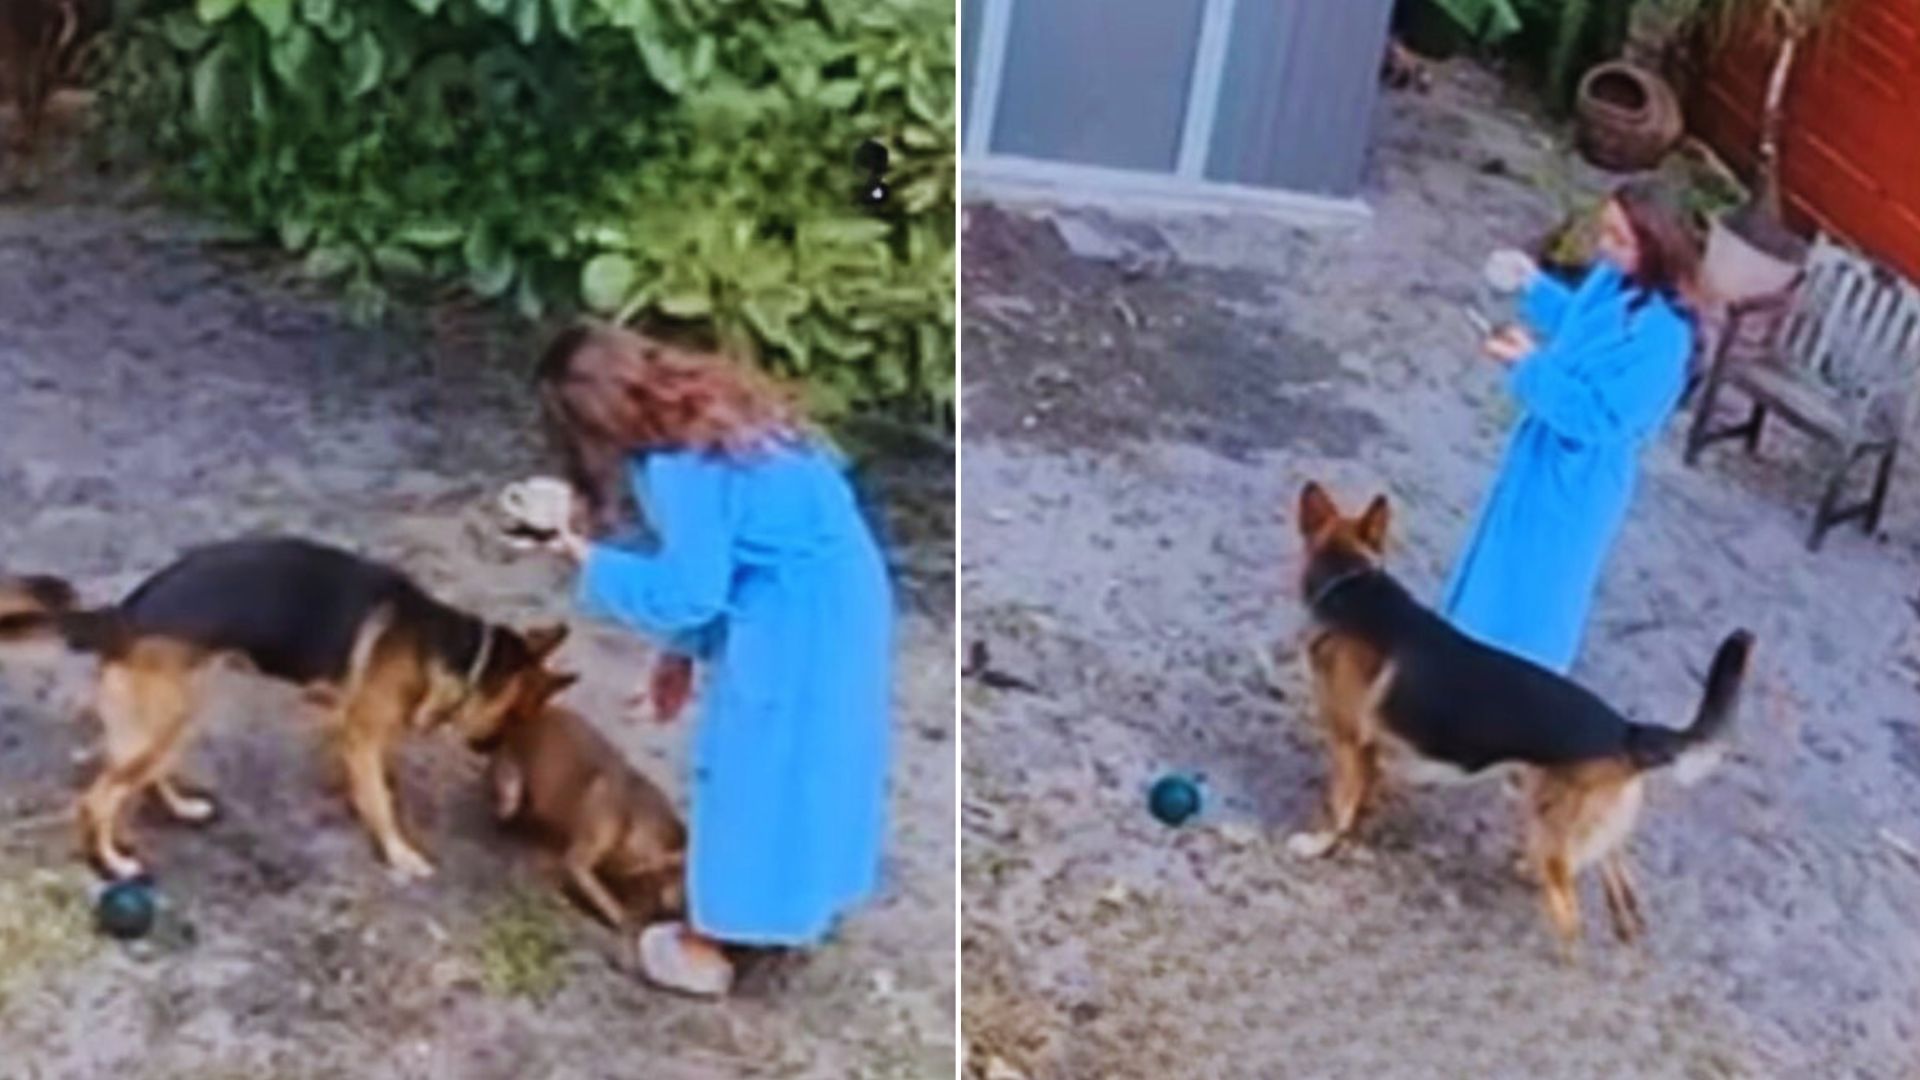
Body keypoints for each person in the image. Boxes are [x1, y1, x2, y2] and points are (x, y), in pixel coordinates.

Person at [536, 322, 892, 996]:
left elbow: (687, 593)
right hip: (845, 599)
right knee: (818, 758)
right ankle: (798, 902)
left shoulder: (677, 468)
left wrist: (582, 555)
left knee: (749, 770)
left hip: (789, 626)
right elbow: (737, 558)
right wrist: (681, 657)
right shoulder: (724, 413)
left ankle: (709, 939)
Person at [1441, 182, 1699, 675]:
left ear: (1657, 247)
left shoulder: (1666, 338)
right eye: (1606, 232)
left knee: (1539, 592)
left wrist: (1530, 367)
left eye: (1620, 239)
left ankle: (1519, 695)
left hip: (1579, 479)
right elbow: (1580, 326)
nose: (1605, 246)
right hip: (1539, 454)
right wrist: (1533, 286)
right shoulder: (1612, 279)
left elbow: (1600, 419)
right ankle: (1467, 662)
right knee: (1500, 565)